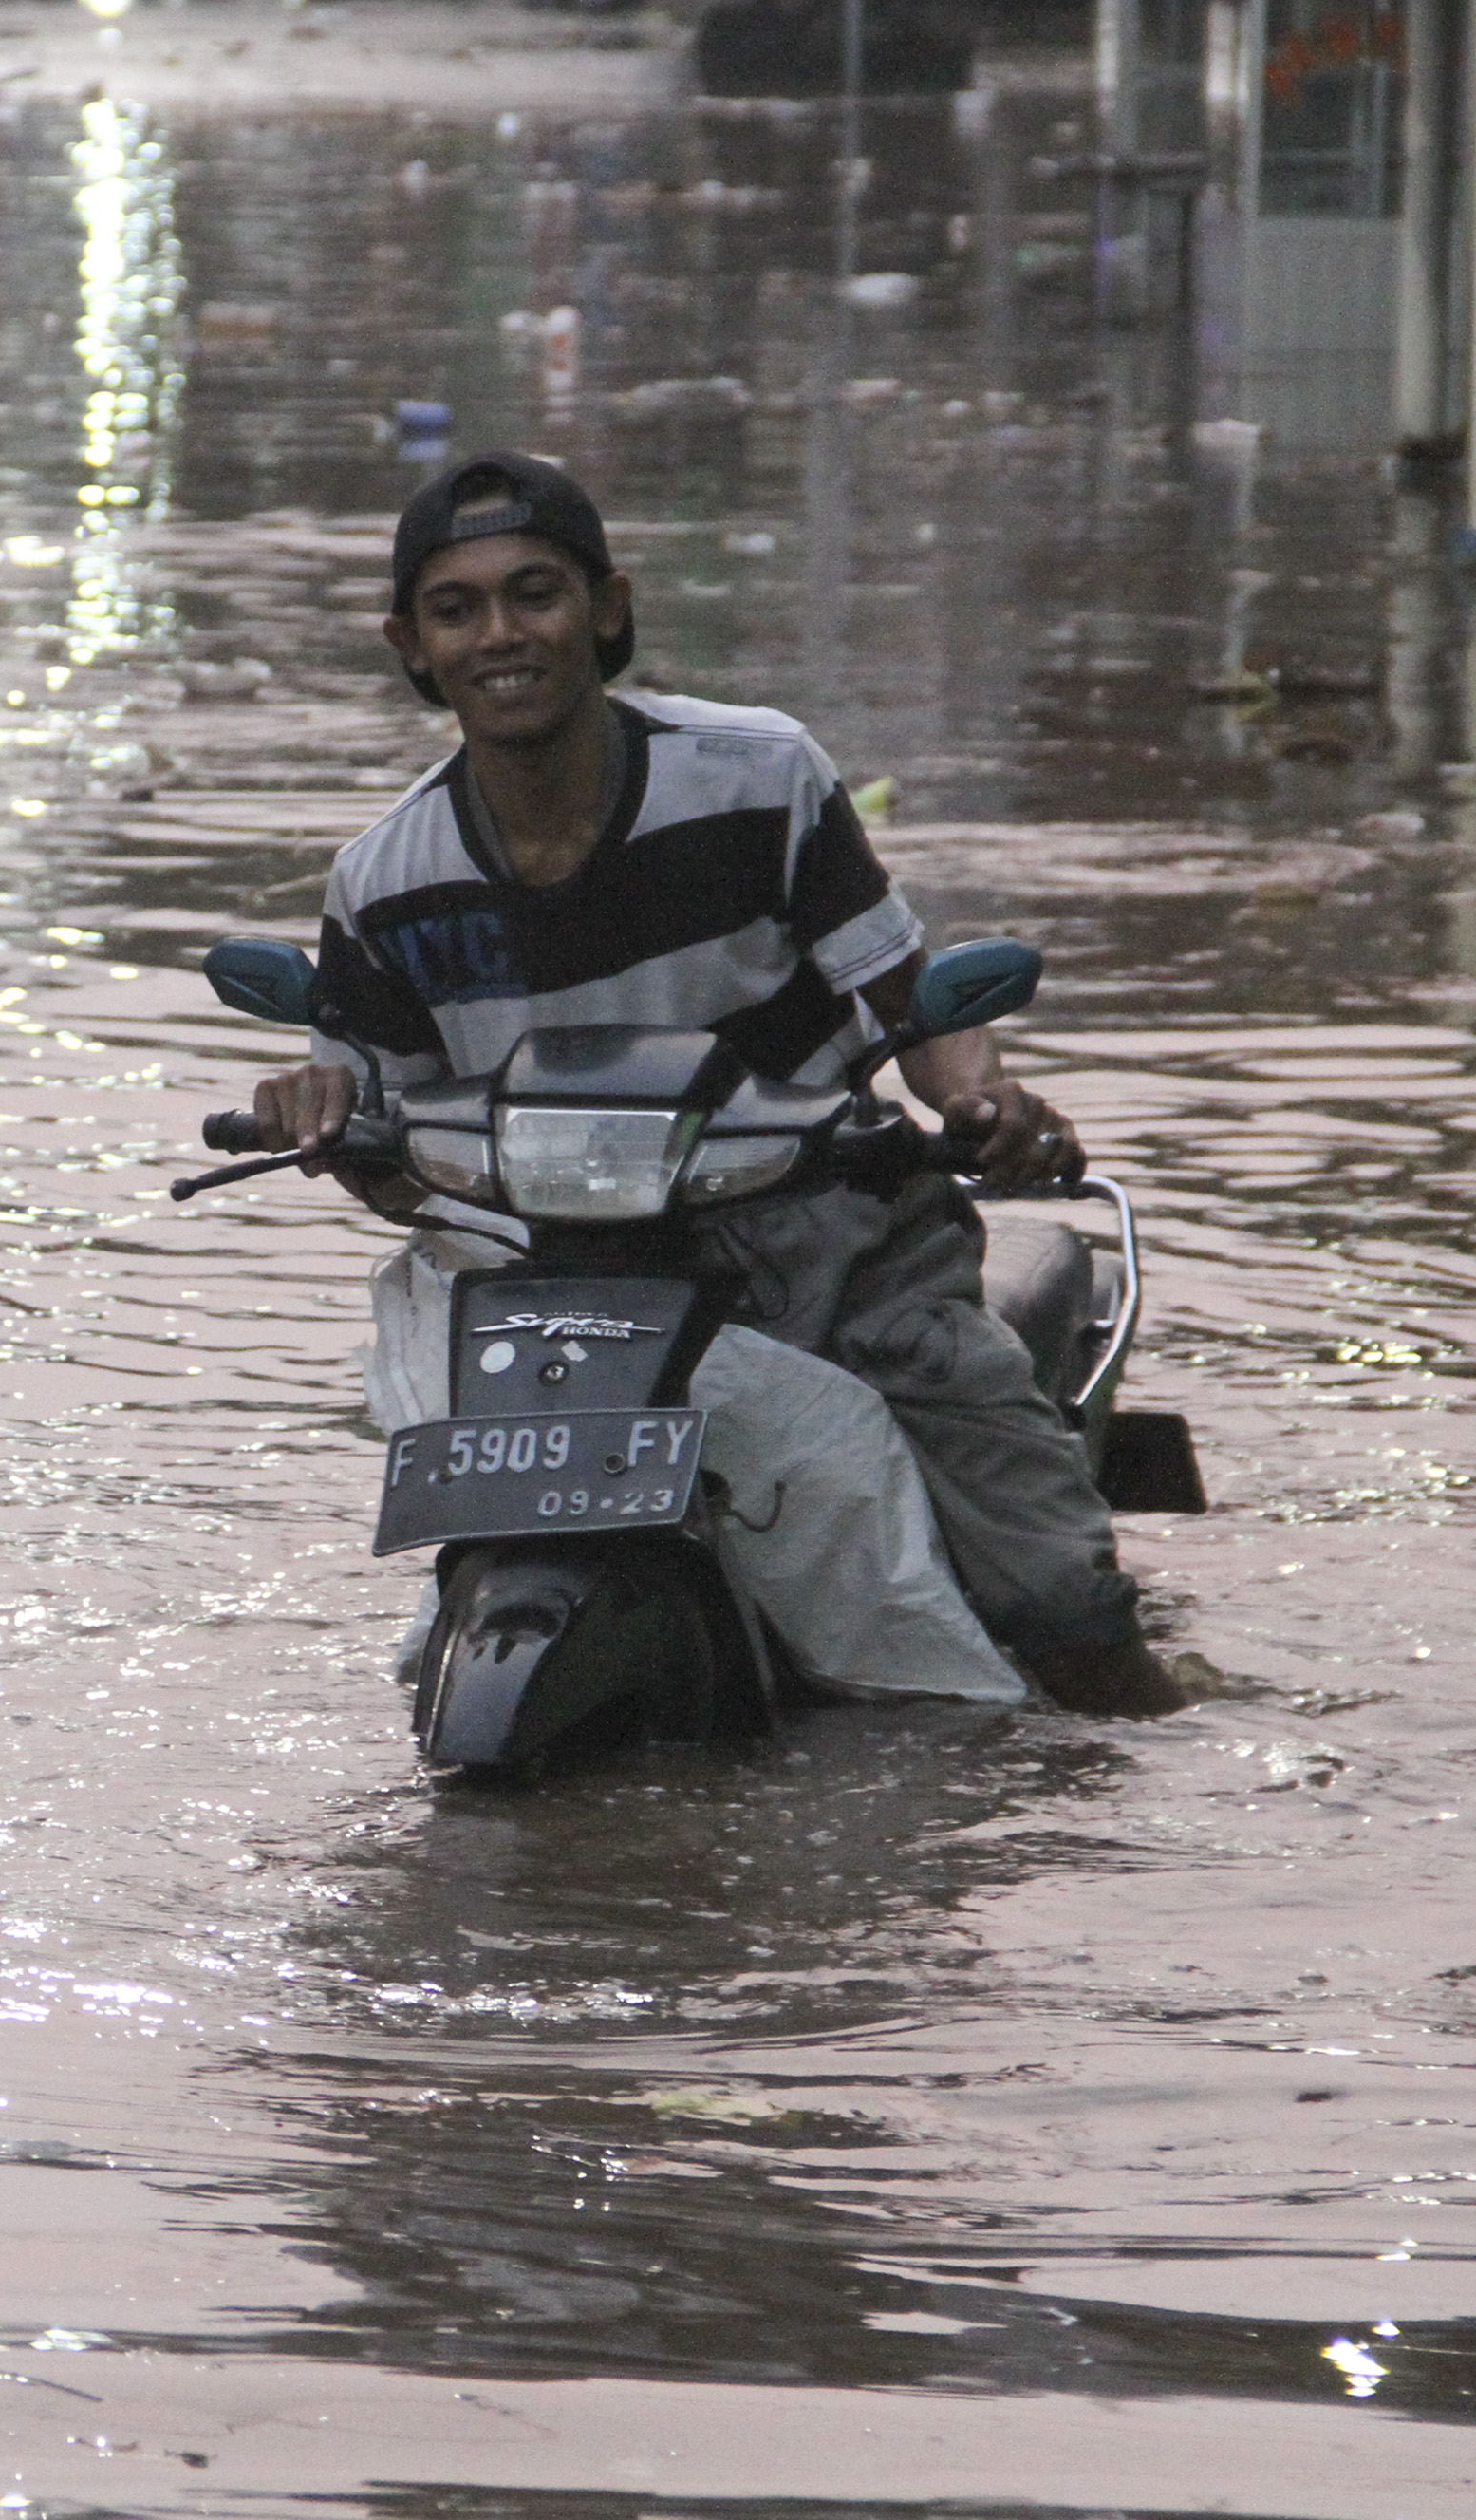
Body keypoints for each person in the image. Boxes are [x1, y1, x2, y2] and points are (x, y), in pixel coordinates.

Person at [243, 450, 1191, 1719]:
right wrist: (320, 1120)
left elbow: (908, 1002)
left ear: (608, 608)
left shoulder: (759, 776)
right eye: (457, 609)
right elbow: (389, 1139)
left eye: (535, 594)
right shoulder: (384, 880)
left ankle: (1155, 1736)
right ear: (411, 645)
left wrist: (979, 1101)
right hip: (564, 1291)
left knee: (1068, 1627)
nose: (501, 636)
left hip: (837, 1252)